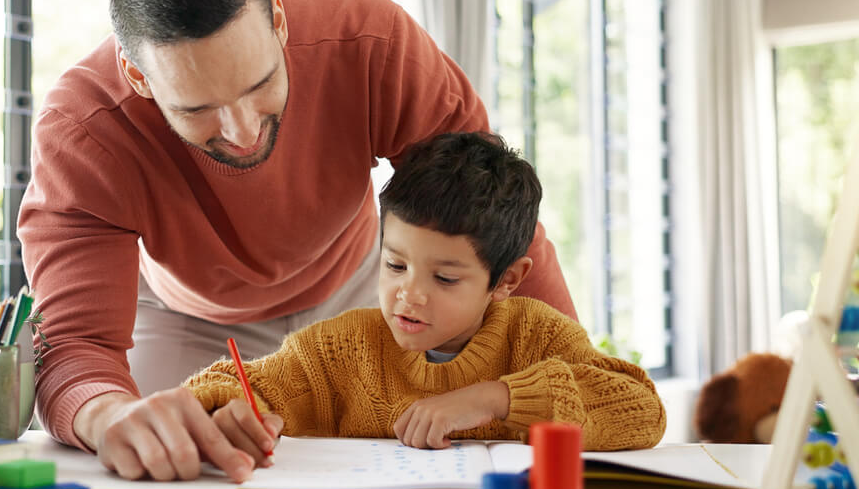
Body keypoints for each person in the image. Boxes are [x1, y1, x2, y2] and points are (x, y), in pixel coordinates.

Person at [18, 0, 578, 482]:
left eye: (260, 83)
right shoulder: (84, 130)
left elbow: (492, 216)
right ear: (138, 77)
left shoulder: (371, 41)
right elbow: (75, 344)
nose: (240, 133)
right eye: (197, 109)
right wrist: (107, 413)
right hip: (187, 314)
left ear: (279, 24)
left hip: (362, 284)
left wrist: (573, 374)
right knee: (162, 464)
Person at [185, 132, 666, 461]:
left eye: (445, 279)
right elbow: (222, 385)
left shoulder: (535, 335)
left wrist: (495, 397)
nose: (408, 296)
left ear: (506, 281)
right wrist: (230, 411)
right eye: (395, 266)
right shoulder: (341, 350)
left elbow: (643, 409)